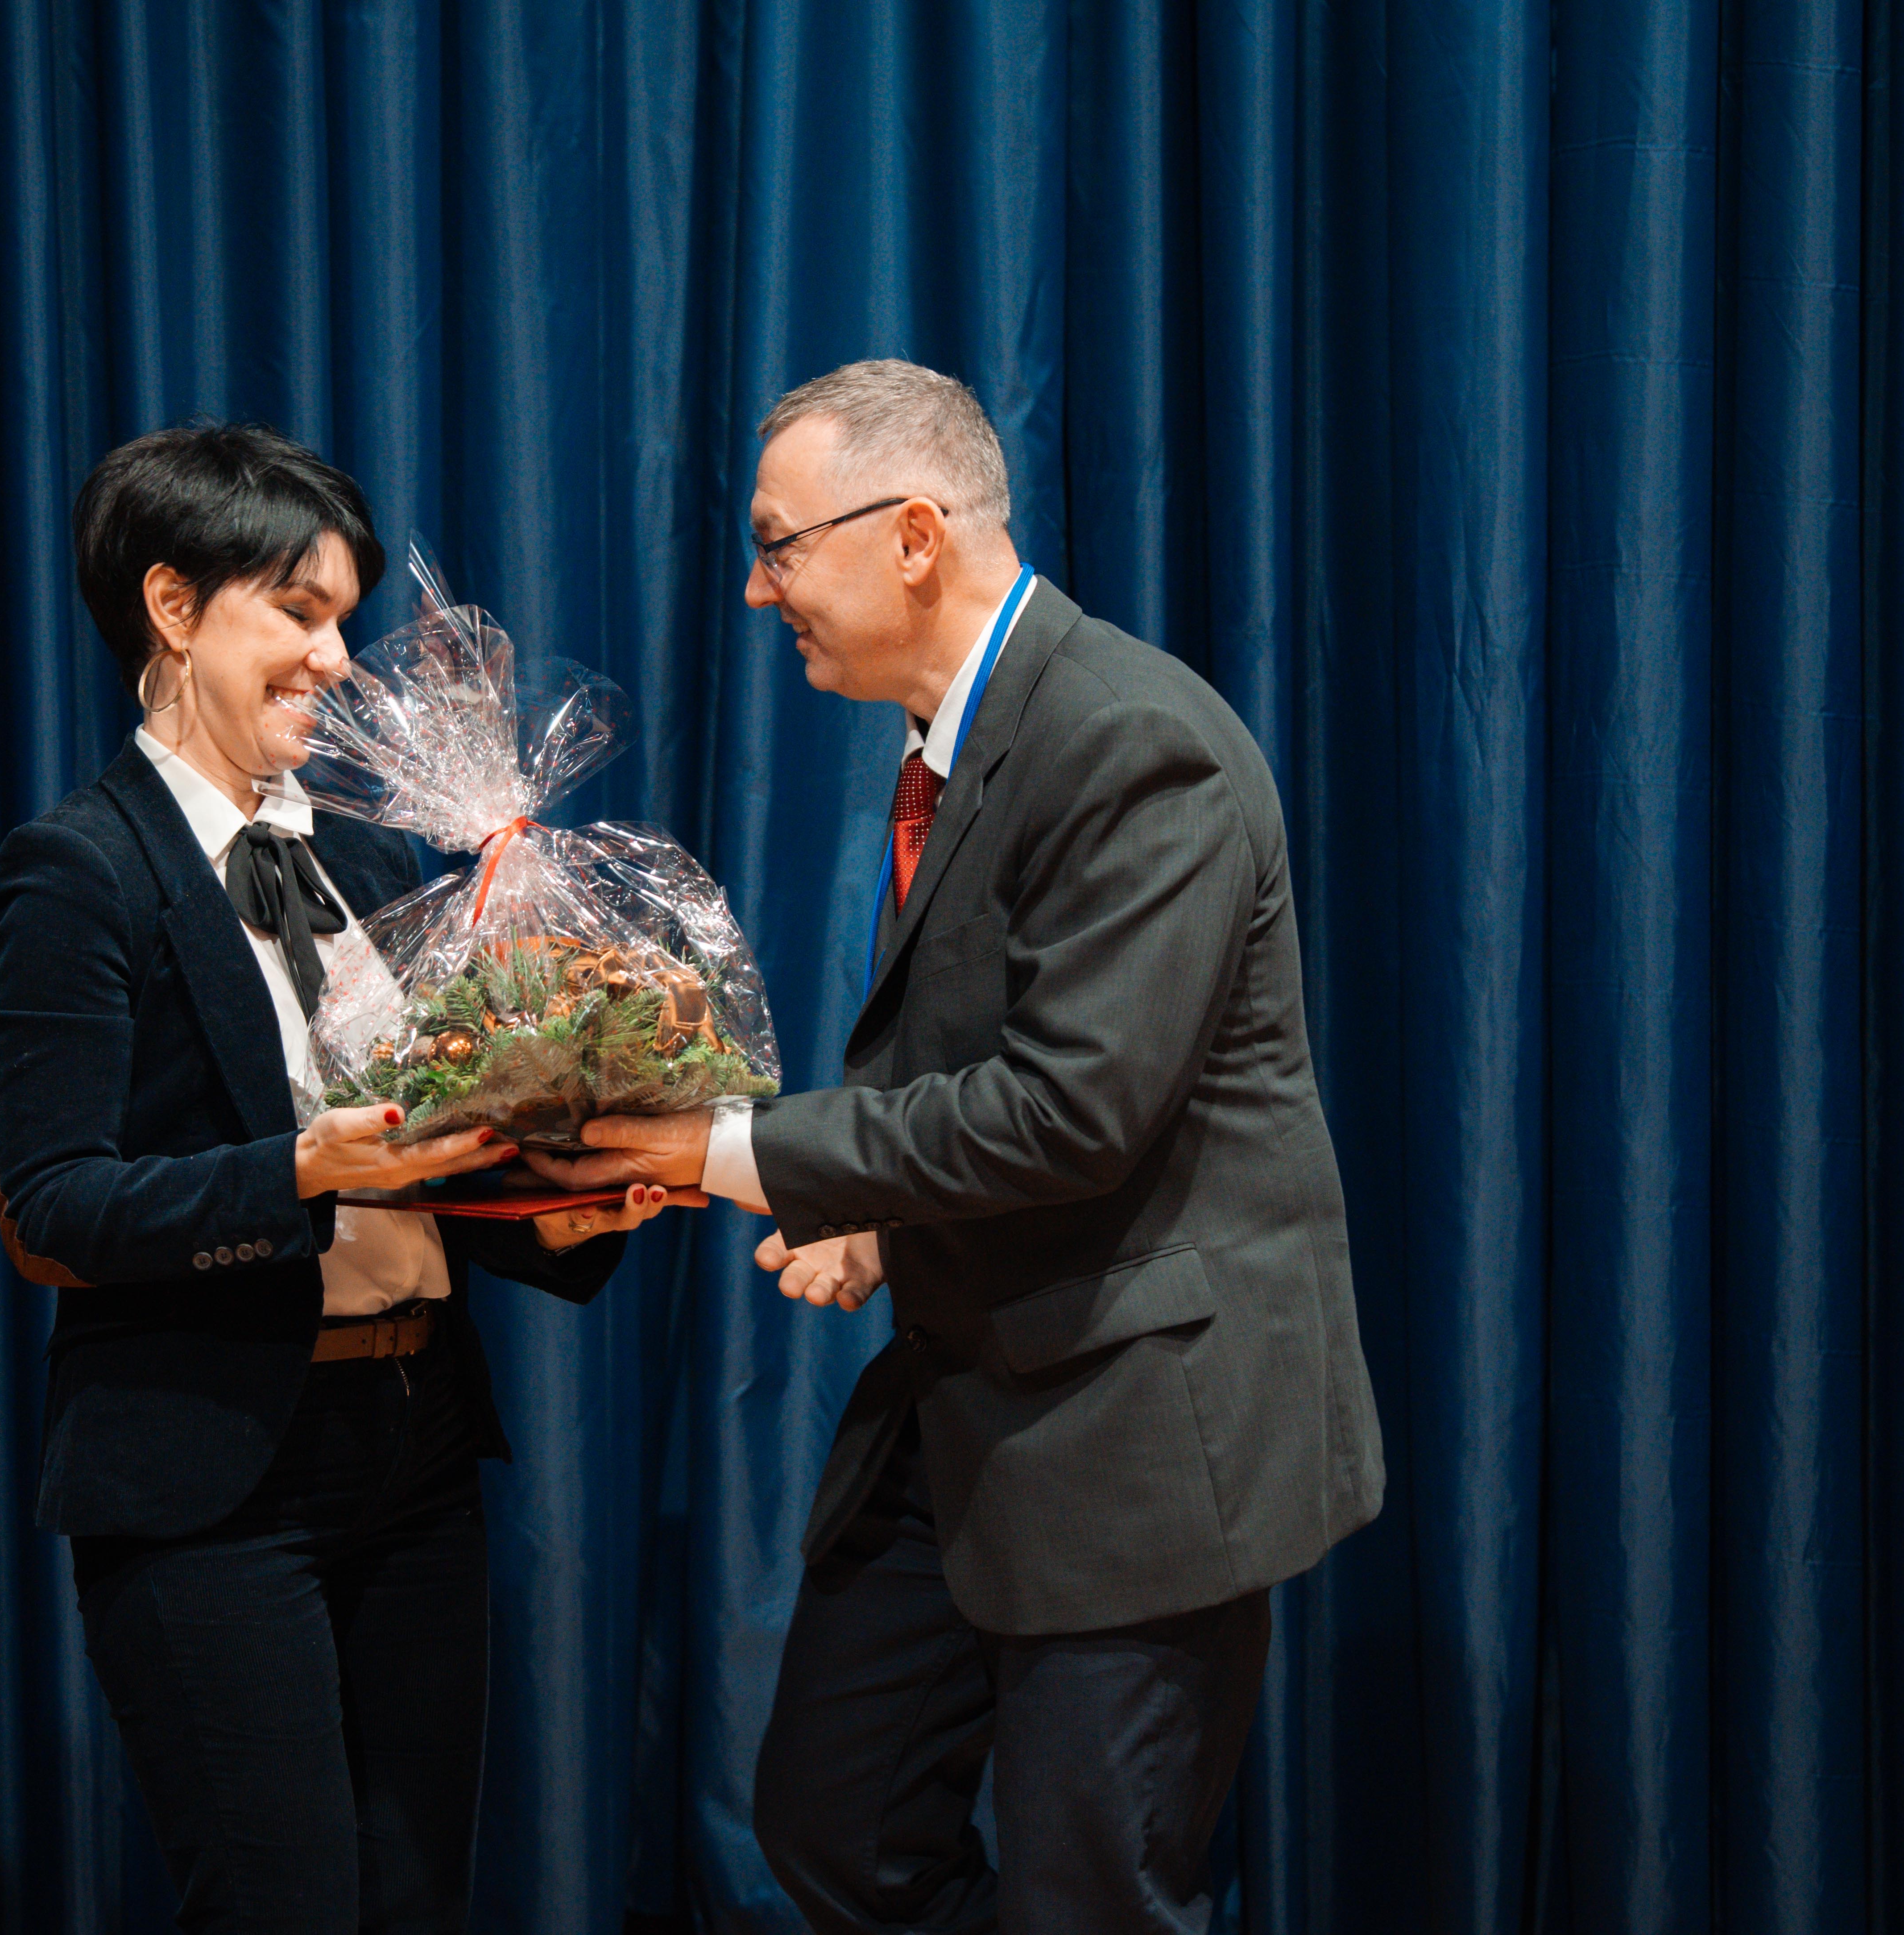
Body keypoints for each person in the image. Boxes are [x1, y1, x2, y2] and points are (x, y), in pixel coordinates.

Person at [530, 361, 1384, 1932]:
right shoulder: (961, 742)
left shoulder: (1130, 739)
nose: (755, 588)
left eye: (779, 544)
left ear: (913, 535)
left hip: (1133, 1428)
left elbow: (1073, 1109)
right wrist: (880, 1217)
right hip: (978, 1396)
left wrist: (719, 1146)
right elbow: (1000, 1075)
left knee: (1092, 1896)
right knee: (834, 1824)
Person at [0, 421, 681, 1935]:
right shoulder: (80, 868)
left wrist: (562, 1206)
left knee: (421, 1902)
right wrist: (298, 1167)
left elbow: (426, 1168)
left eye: (344, 617)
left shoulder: (368, 863)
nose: (337, 658)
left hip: (417, 1445)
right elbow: (54, 1205)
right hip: (214, 1478)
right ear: (173, 607)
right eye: (297, 612)